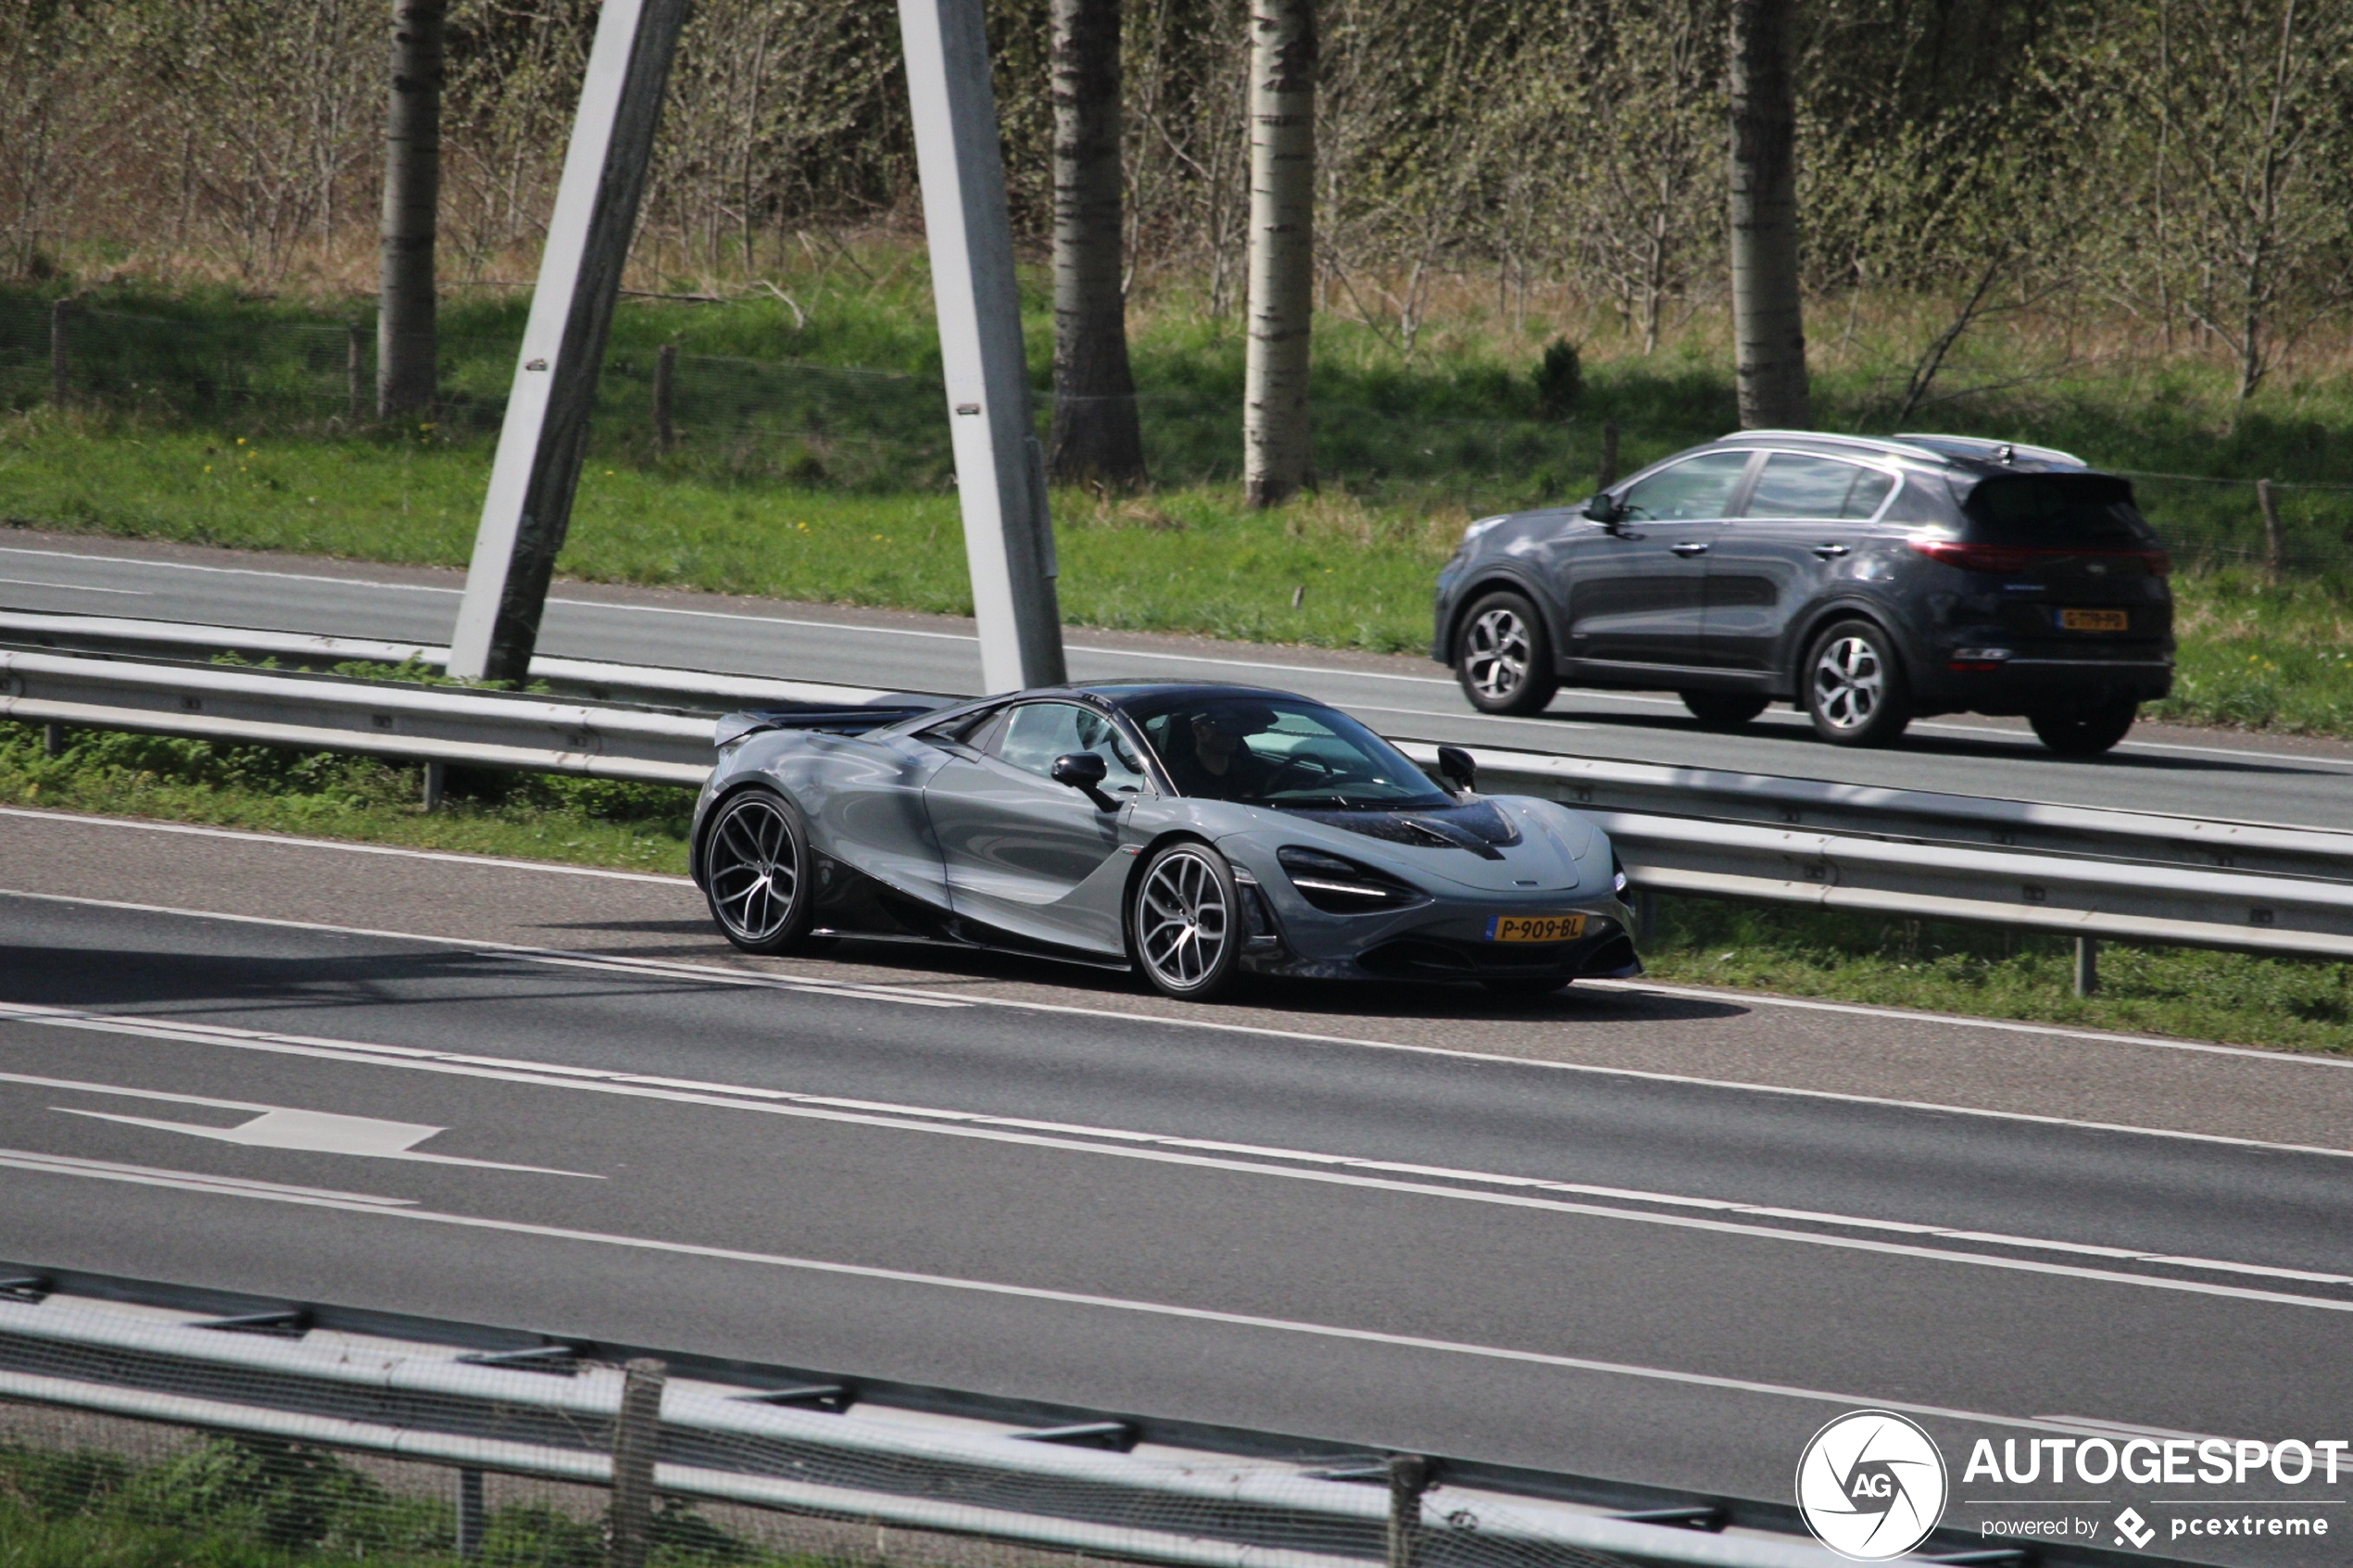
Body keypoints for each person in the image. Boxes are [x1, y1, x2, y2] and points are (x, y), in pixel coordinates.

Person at [1161, 706, 1277, 800]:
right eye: (1224, 727)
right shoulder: (1177, 780)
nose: (1232, 735)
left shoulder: (1251, 773)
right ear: (1198, 730)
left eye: (1236, 727)